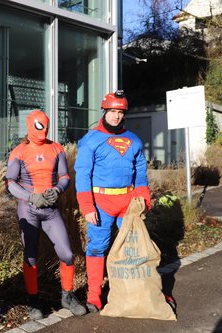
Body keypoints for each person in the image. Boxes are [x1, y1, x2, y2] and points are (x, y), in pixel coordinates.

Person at [74, 90, 151, 313]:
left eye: (120, 112)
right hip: (101, 203)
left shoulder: (133, 140)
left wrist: (143, 199)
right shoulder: (90, 140)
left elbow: (141, 172)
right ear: (105, 112)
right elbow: (82, 174)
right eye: (112, 112)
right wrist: (87, 206)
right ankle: (94, 296)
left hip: (128, 202)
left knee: (132, 248)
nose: (116, 116)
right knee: (98, 248)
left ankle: (131, 292)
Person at [5, 110, 87, 319]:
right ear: (30, 127)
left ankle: (67, 296)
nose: (42, 133)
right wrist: (32, 197)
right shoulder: (19, 151)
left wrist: (58, 189)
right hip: (28, 208)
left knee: (67, 254)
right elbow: (10, 183)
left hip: (51, 210)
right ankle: (33, 301)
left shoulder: (56, 148)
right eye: (38, 128)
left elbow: (64, 176)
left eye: (45, 128)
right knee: (30, 255)